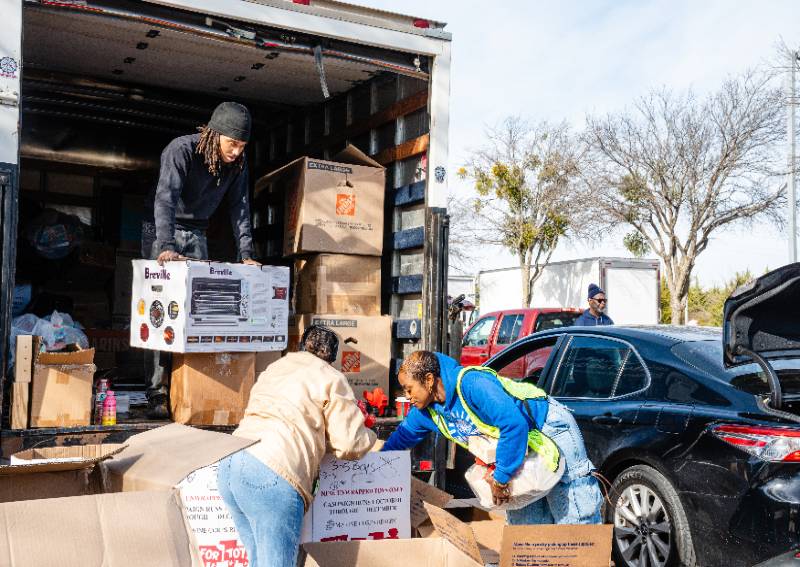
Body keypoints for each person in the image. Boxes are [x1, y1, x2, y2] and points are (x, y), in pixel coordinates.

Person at [382, 351, 602, 525]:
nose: (407, 397)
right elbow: (401, 438)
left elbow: (513, 424)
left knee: (574, 516)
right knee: (527, 527)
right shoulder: (426, 412)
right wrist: (370, 468)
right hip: (517, 446)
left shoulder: (471, 384)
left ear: (429, 380)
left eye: (409, 389)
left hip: (547, 429)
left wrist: (501, 478)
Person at [218, 325, 376, 567]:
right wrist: (371, 435)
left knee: (258, 561)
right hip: (272, 472)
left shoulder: (277, 366)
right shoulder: (331, 377)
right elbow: (349, 443)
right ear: (331, 357)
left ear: (302, 346)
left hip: (232, 464)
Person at [141, 101, 260, 418]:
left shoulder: (238, 164)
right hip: (160, 230)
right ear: (215, 134)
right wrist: (165, 245)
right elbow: (165, 197)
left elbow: (241, 209)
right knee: (161, 313)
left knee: (196, 315)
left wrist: (246, 254)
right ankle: (156, 390)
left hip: (197, 233)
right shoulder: (180, 150)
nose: (236, 151)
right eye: (232, 143)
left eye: (242, 145)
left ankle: (187, 386)